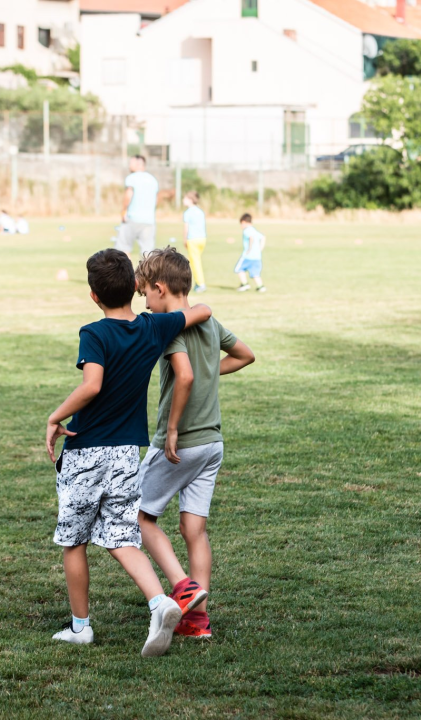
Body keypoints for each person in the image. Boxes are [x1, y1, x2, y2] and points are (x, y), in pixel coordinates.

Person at [44, 248, 213, 657]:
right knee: (123, 537)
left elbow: (92, 386)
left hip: (85, 453)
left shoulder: (94, 333)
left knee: (74, 541)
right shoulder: (153, 327)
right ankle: (160, 602)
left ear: (93, 295)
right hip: (125, 456)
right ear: (136, 289)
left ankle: (81, 626)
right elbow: (203, 310)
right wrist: (186, 313)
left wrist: (54, 417)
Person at [134, 248, 255, 640]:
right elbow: (245, 355)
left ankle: (183, 588)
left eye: (146, 295)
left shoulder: (169, 326)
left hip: (181, 443)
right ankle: (198, 622)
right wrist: (211, 373)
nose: (145, 303)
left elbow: (183, 376)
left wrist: (171, 430)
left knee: (137, 515)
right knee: (194, 529)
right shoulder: (210, 322)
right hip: (212, 444)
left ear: (160, 288)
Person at [117, 155, 158, 258]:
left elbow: (128, 195)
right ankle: (148, 274)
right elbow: (155, 200)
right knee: (147, 253)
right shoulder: (153, 179)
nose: (129, 166)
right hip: (149, 220)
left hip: (132, 218)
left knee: (123, 249)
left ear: (139, 164)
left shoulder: (132, 178)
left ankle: (127, 273)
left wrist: (123, 211)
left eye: (131, 163)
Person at [182, 191, 208, 293]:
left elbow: (186, 228)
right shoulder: (200, 211)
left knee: (195, 262)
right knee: (194, 261)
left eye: (185, 198)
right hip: (202, 239)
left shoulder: (188, 213)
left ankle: (201, 284)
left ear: (190, 200)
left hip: (193, 239)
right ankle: (197, 283)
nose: (183, 200)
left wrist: (185, 239)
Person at [235, 213, 266, 292]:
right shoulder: (254, 230)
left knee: (238, 269)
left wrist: (249, 249)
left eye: (241, 224)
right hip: (257, 256)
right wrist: (260, 249)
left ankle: (245, 284)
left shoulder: (247, 230)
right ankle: (261, 287)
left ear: (244, 222)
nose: (241, 226)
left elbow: (251, 238)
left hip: (247, 256)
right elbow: (263, 237)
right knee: (255, 274)